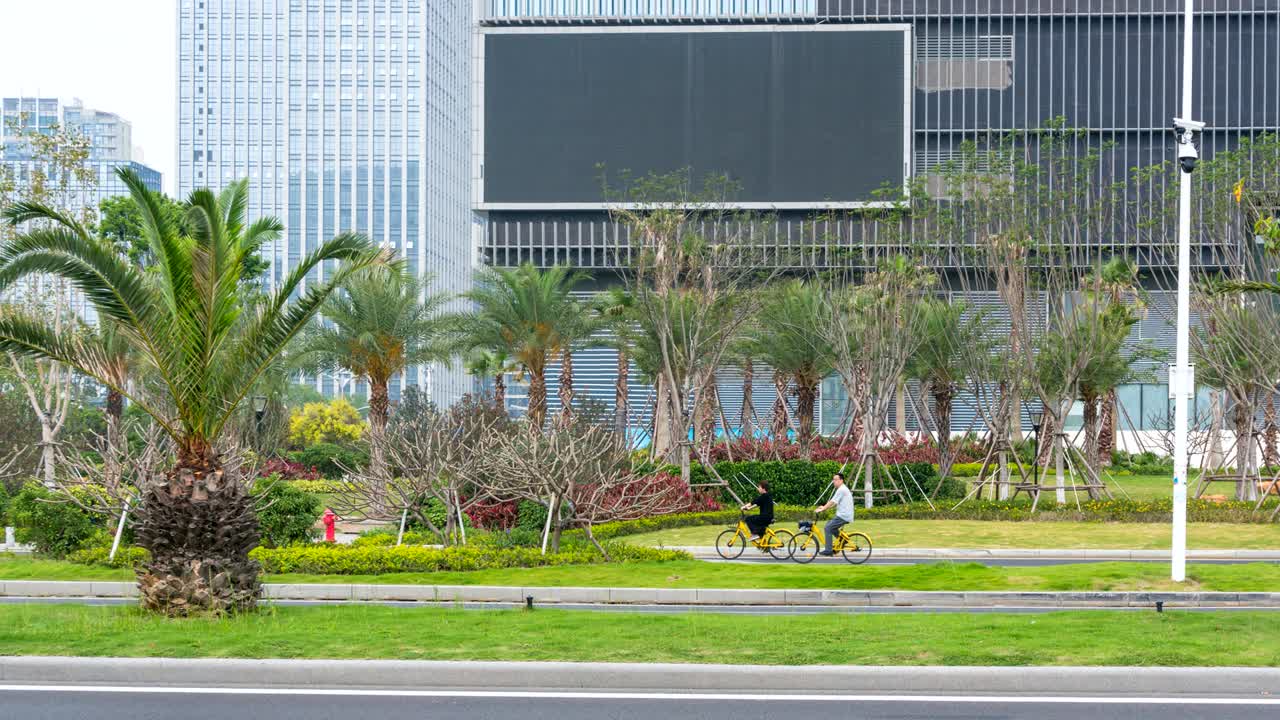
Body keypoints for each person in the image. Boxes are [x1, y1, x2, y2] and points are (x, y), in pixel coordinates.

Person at [814, 473, 854, 556]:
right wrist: (824, 507)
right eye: (833, 480)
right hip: (844, 515)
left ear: (841, 480)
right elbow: (834, 503)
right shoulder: (842, 489)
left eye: (836, 480)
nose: (834, 481)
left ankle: (828, 550)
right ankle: (843, 540)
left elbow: (832, 501)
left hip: (843, 516)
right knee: (830, 525)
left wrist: (823, 508)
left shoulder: (841, 490)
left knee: (827, 528)